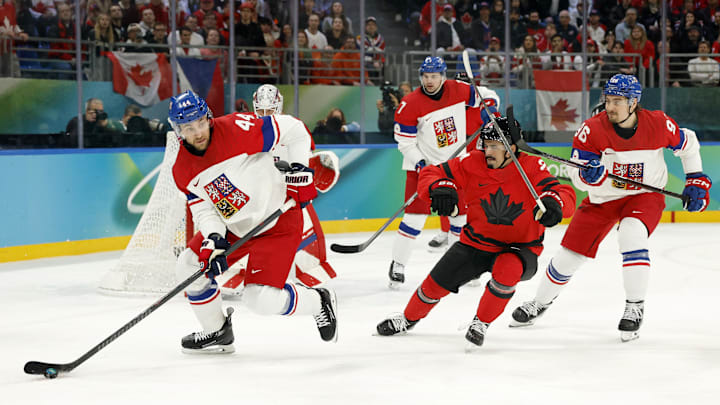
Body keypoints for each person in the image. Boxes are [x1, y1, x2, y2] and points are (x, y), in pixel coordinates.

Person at [510, 74, 713, 342]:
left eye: (618, 101)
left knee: (631, 234)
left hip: (644, 196)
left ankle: (634, 306)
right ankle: (540, 302)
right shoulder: (592, 130)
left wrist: (696, 178)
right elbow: (577, 174)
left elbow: (689, 144)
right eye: (608, 99)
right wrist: (588, 176)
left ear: (633, 103)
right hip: (602, 199)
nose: (610, 106)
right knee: (568, 256)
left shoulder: (658, 123)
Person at [376, 117, 576, 348]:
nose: (487, 151)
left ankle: (481, 322)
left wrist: (555, 204)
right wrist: (439, 187)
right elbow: (432, 173)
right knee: (434, 285)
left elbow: (562, 192)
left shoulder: (532, 167)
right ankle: (408, 319)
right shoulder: (473, 162)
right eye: (486, 145)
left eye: (494, 146)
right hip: (476, 242)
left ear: (511, 148)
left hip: (519, 246)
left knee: (506, 271)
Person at [168, 90, 338, 353]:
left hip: (277, 221)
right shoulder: (181, 169)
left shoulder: (237, 128)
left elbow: (295, 130)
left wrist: (299, 169)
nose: (198, 131)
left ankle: (318, 301)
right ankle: (217, 331)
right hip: (234, 227)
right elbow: (203, 208)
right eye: (189, 127)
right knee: (188, 265)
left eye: (201, 122)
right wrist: (214, 238)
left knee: (260, 301)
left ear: (208, 117)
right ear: (178, 130)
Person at [388, 56, 496, 289]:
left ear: (443, 76)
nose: (429, 81)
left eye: (434, 76)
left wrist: (491, 108)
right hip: (424, 168)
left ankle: (458, 268)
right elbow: (405, 143)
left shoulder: (459, 90)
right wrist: (421, 163)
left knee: (460, 219)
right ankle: (398, 264)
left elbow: (488, 95)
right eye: (426, 77)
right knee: (414, 219)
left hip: (456, 167)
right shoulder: (409, 104)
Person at [240, 84, 340, 289]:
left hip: (288, 193)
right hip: (255, 194)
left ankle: (306, 270)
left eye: (270, 111)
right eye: (261, 111)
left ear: (279, 107)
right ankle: (236, 272)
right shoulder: (245, 128)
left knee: (303, 225)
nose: (265, 115)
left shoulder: (293, 127)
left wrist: (319, 166)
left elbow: (306, 160)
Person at [427, 71, 500, 253]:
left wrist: (491, 117)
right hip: (452, 158)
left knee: (475, 199)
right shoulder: (446, 106)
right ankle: (445, 232)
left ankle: (475, 233)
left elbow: (493, 103)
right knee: (446, 192)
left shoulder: (482, 101)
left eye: (466, 85)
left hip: (476, 160)